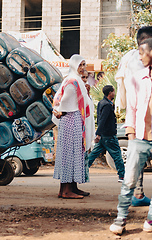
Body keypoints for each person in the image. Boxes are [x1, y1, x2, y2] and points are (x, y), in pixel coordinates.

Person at [109, 38, 152, 235]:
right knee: (129, 181)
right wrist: (131, 135)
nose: (139, 56)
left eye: (142, 52)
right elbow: (132, 109)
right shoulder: (137, 78)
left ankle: (150, 220)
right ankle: (120, 219)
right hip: (140, 137)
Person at [52, 54, 94, 199]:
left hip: (74, 119)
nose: (83, 68)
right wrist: (61, 110)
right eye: (80, 65)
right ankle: (66, 191)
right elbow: (65, 100)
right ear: (74, 65)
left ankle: (71, 188)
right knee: (69, 154)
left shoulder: (75, 80)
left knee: (73, 153)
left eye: (84, 64)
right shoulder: (72, 81)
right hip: (71, 119)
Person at [87, 85, 125, 182]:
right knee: (117, 156)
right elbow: (103, 120)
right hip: (109, 135)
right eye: (113, 91)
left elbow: (99, 119)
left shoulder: (102, 103)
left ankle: (82, 171)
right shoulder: (107, 105)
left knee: (93, 155)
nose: (115, 93)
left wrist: (99, 134)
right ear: (110, 93)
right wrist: (98, 134)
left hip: (103, 136)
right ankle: (122, 176)